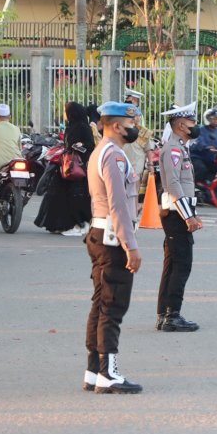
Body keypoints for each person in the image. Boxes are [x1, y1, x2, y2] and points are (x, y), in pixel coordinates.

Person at [83, 101, 143, 394]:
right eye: (131, 124)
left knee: (101, 303)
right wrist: (130, 246)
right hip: (112, 238)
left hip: (99, 233)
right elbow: (119, 204)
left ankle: (93, 370)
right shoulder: (114, 156)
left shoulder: (101, 151)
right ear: (117, 126)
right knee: (113, 305)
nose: (135, 128)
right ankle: (109, 373)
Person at [156, 102, 203, 332]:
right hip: (176, 214)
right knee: (181, 265)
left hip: (178, 212)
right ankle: (172, 315)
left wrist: (192, 213)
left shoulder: (180, 147)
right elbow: (174, 184)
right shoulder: (173, 149)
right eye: (192, 122)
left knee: (172, 263)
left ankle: (164, 313)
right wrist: (188, 217)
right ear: (182, 125)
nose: (196, 125)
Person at [34, 102, 95, 235]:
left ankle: (79, 225)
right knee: (58, 194)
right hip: (66, 165)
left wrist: (80, 145)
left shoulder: (83, 127)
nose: (64, 114)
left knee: (76, 196)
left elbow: (91, 145)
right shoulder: (70, 127)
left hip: (79, 166)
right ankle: (61, 225)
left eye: (66, 111)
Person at [123, 105, 155, 202]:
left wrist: (151, 164)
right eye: (134, 116)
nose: (137, 118)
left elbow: (149, 149)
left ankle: (133, 212)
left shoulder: (144, 132)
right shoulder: (123, 129)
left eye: (138, 115)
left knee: (134, 191)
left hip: (136, 165)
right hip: (123, 164)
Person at [190, 108, 217, 182]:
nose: (216, 121)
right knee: (202, 169)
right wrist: (207, 147)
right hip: (197, 157)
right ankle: (192, 186)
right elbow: (199, 142)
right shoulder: (201, 130)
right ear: (208, 119)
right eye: (213, 119)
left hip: (210, 159)